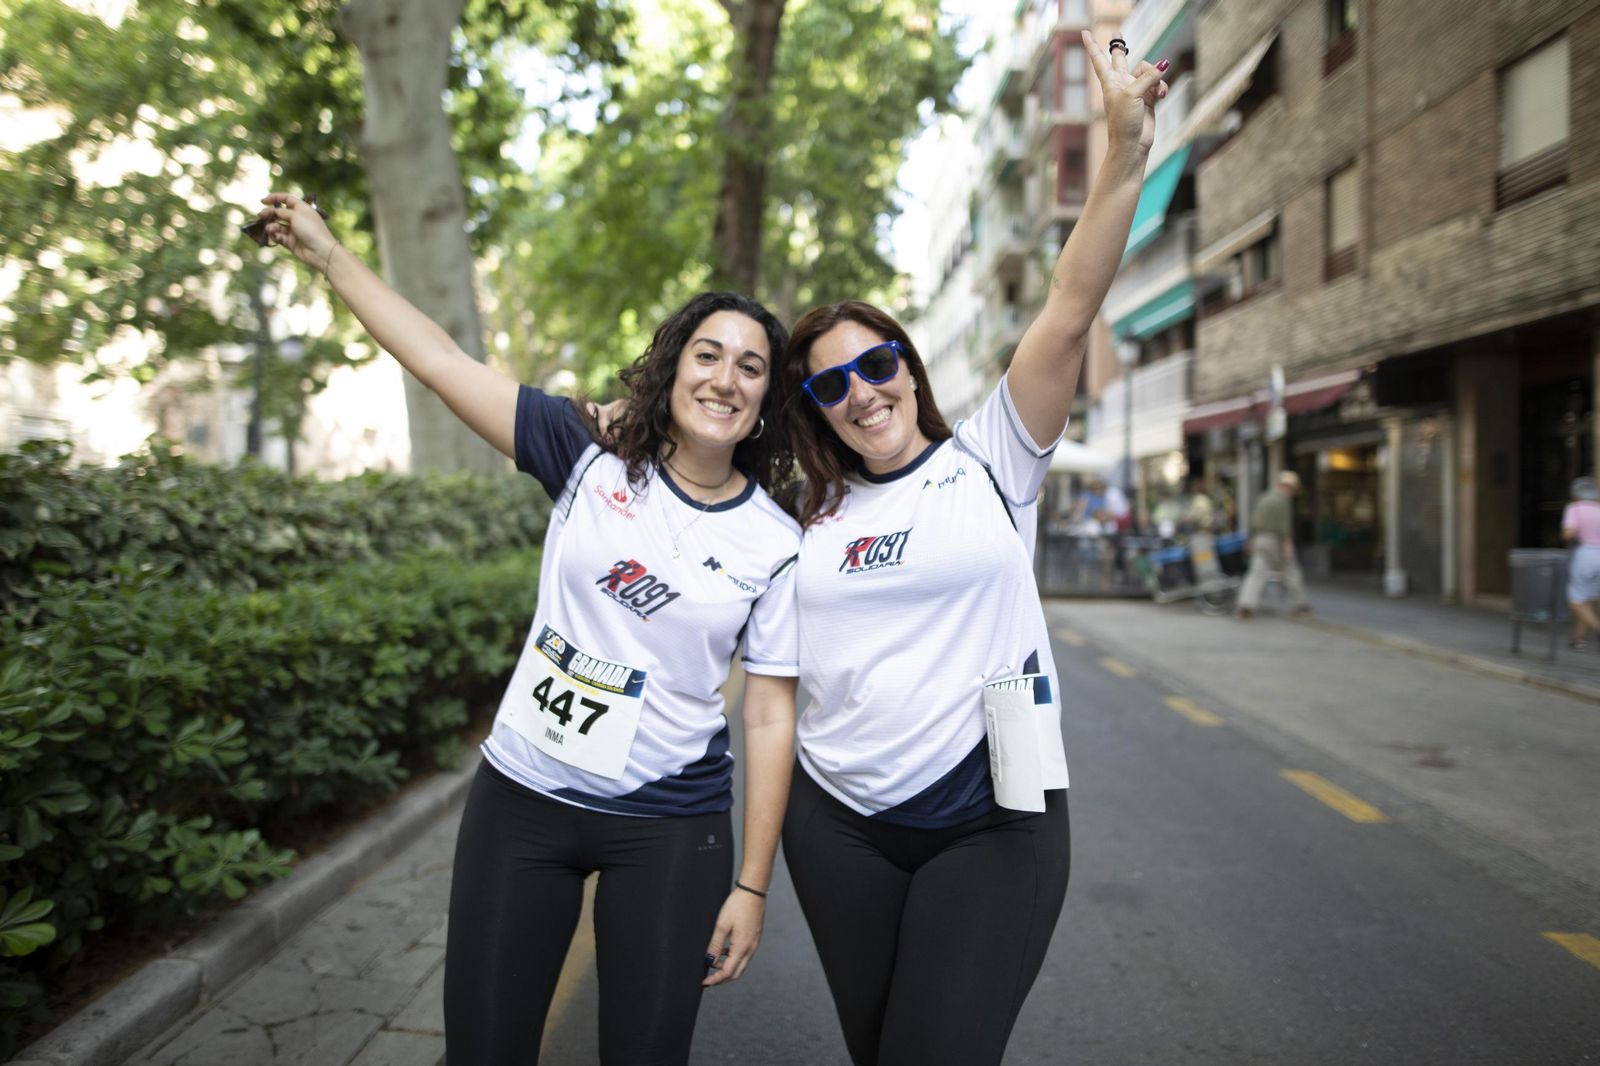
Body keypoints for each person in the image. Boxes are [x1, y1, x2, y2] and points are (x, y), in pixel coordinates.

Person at [251, 195, 801, 1065]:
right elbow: (437, 359)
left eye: (751, 366)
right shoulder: (585, 450)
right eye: (707, 354)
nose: (724, 379)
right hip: (523, 804)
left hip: (669, 823)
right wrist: (327, 256)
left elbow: (769, 715)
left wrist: (752, 885)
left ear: (768, 397)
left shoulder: (777, 540)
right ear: (673, 365)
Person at [774, 34, 1169, 1065]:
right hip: (839, 826)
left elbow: (1070, 304)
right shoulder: (804, 514)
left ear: (907, 363)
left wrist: (1122, 152)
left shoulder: (995, 456)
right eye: (829, 383)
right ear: (814, 410)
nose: (861, 390)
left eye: (876, 362)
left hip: (995, 815)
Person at [1235, 469, 1311, 618]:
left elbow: (1253, 521)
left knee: (1256, 573)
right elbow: (1284, 526)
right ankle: (1302, 605)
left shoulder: (1264, 498)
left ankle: (1245, 605)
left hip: (1259, 539)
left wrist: (1250, 539)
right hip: (1275, 540)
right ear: (1289, 487)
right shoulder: (1283, 500)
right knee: (1290, 571)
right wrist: (1287, 545)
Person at [1561, 476, 1600, 649]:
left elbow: (1568, 533)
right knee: (1588, 599)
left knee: (1575, 600)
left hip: (1586, 556)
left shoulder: (1574, 508)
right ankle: (1579, 639)